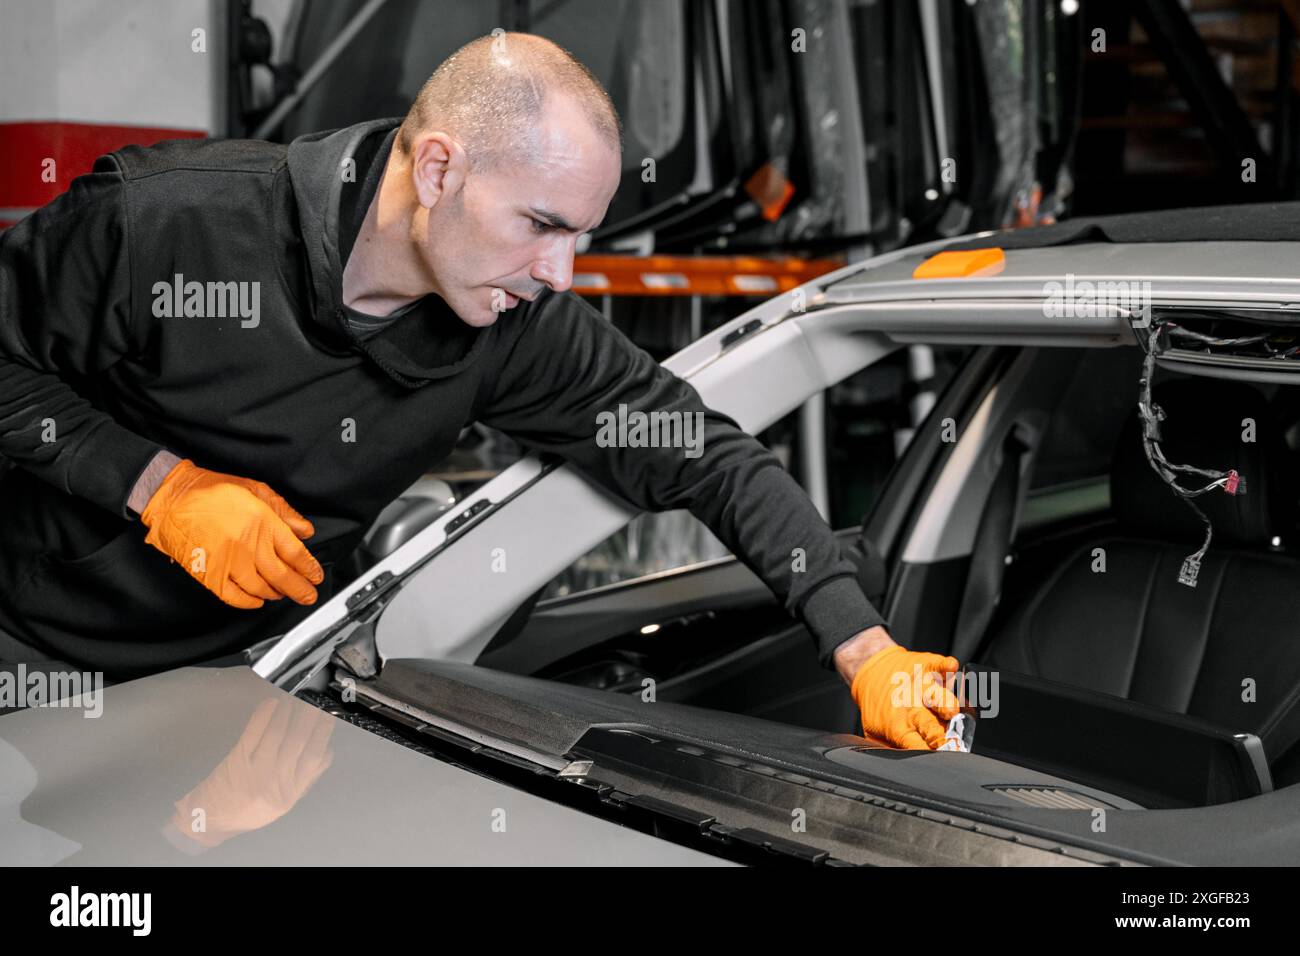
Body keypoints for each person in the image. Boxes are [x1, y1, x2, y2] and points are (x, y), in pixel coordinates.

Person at [0, 32, 958, 748]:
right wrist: (159, 486)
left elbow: (699, 450)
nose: (560, 272)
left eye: (580, 235)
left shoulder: (511, 327)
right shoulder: (171, 223)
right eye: (540, 223)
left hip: (255, 693)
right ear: (438, 167)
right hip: (33, 661)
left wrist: (865, 647)